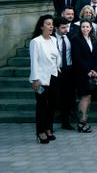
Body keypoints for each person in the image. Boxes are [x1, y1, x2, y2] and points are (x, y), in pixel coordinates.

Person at [29, 15, 60, 143]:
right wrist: (35, 79)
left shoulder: (54, 39)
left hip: (54, 76)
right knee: (41, 105)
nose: (51, 26)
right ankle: (40, 131)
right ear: (41, 26)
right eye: (48, 24)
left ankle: (48, 128)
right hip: (41, 79)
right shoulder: (36, 42)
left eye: (52, 24)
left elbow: (57, 57)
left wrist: (58, 69)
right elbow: (34, 61)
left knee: (52, 104)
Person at [71, 19, 97, 133]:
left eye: (87, 27)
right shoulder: (76, 40)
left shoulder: (93, 39)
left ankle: (84, 121)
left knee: (89, 97)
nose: (85, 29)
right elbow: (77, 58)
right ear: (80, 28)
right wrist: (88, 70)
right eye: (83, 27)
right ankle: (81, 123)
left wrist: (95, 69)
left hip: (92, 72)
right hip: (81, 73)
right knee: (84, 96)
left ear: (91, 28)